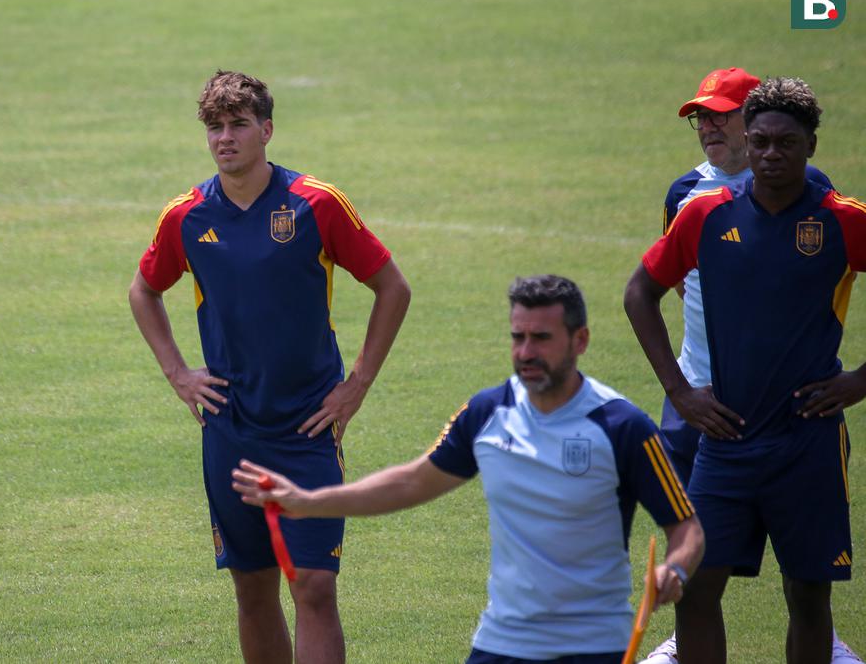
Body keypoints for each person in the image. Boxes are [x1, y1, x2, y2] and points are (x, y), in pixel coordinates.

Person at [234, 275, 704, 664]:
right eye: (518, 337)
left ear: (579, 341)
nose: (525, 352)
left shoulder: (621, 426)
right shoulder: (489, 413)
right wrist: (307, 502)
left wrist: (676, 572)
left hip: (591, 645)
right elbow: (412, 481)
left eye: (542, 338)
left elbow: (687, 529)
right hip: (502, 641)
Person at [128, 70, 411, 664]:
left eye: (237, 125)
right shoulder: (186, 216)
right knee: (253, 589)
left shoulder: (316, 204)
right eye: (214, 127)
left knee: (313, 586)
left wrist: (356, 385)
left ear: (267, 130)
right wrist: (179, 374)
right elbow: (143, 290)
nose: (224, 138)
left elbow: (392, 286)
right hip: (231, 430)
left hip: (309, 428)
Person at [625, 77, 865, 664]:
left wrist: (860, 381)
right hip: (725, 441)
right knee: (698, 591)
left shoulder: (842, 218)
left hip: (807, 439)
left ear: (810, 144)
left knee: (809, 597)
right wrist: (679, 391)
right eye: (759, 142)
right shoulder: (704, 213)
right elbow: (640, 293)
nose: (769, 155)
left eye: (785, 143)